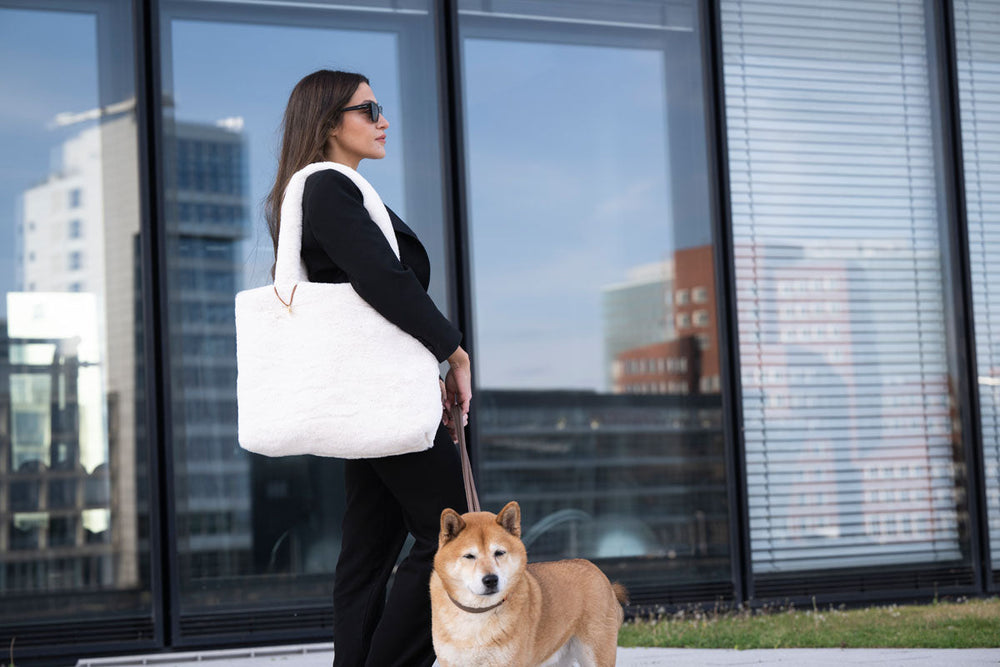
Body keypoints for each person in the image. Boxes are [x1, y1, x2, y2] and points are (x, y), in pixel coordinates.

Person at [264, 69, 472, 667]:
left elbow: (375, 291)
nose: (384, 121)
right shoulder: (328, 188)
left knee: (368, 552)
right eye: (369, 110)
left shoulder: (335, 192)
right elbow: (384, 281)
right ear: (329, 122)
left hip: (369, 394)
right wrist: (453, 351)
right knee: (453, 535)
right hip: (378, 395)